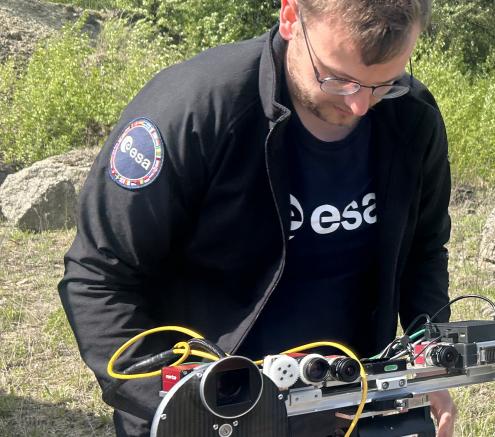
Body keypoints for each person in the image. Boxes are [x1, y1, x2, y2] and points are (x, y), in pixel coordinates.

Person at [56, 0, 457, 435]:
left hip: (348, 405)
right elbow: (98, 276)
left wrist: (427, 355)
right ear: (290, 17)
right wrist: (177, 407)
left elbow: (424, 249)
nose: (360, 105)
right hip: (209, 408)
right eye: (337, 79)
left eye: (384, 85)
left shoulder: (412, 118)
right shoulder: (197, 108)